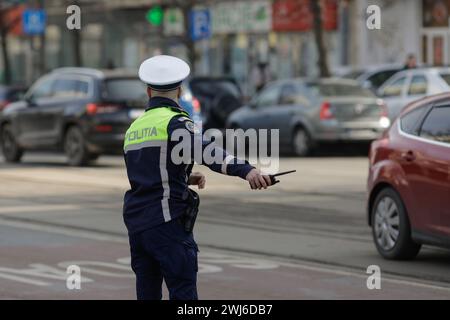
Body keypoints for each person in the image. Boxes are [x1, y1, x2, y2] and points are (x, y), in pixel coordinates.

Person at [123, 55, 272, 300]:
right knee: (183, 295)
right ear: (180, 90)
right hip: (166, 223)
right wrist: (247, 170)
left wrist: (185, 176)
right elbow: (208, 151)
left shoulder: (135, 128)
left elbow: (145, 172)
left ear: (149, 91)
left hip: (138, 226)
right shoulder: (176, 122)